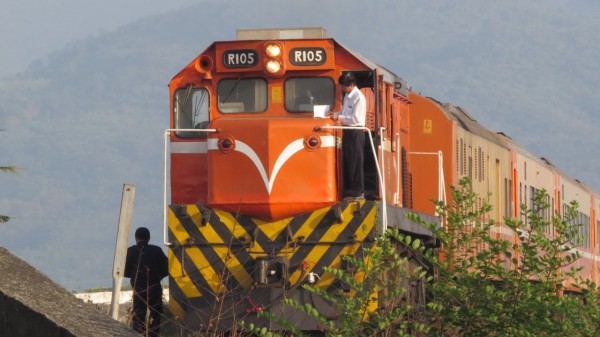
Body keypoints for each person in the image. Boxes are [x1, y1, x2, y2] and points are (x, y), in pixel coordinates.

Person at [329, 72, 367, 201]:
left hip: (356, 131)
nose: (343, 89)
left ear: (351, 85)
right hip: (348, 131)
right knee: (350, 160)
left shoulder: (359, 98)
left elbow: (356, 118)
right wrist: (334, 113)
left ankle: (358, 191)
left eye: (345, 86)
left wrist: (338, 117)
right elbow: (345, 112)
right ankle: (351, 189)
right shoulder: (347, 96)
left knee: (356, 161)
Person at [125, 227, 169, 337]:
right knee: (155, 316)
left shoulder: (130, 251)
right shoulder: (157, 250)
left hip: (138, 290)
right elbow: (167, 268)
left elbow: (125, 272)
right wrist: (157, 277)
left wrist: (135, 277)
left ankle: (139, 334)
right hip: (154, 288)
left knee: (138, 317)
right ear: (149, 238)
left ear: (136, 238)